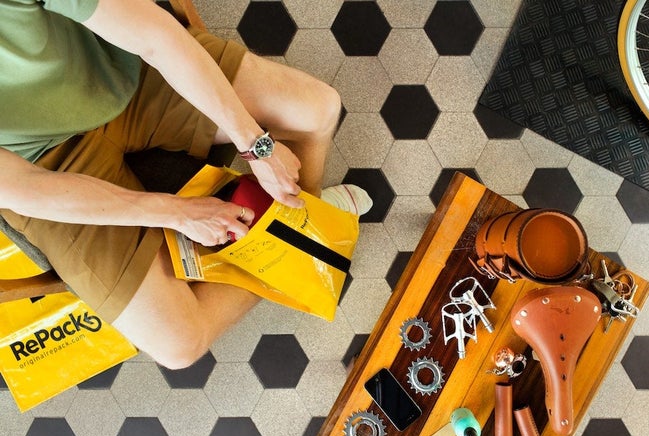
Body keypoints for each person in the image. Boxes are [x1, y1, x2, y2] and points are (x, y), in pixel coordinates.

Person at [0, 0, 372, 369]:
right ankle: (308, 234)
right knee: (179, 343)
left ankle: (308, 221)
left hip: (114, 70)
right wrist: (180, 213)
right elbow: (25, 187)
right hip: (43, 164)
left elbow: (156, 37)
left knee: (316, 108)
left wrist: (256, 145)